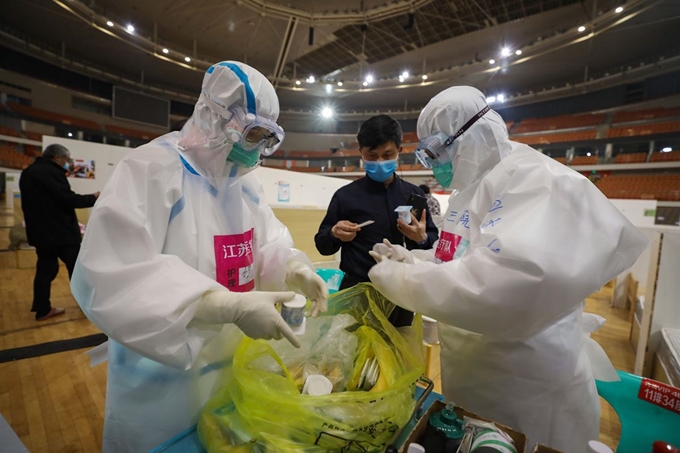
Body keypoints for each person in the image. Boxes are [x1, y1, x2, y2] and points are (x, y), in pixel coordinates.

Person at [368, 86, 647, 452]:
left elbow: (504, 286)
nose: (434, 164)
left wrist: (405, 280)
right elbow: (457, 259)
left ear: (472, 136)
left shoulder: (535, 181)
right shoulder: (470, 189)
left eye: (438, 151)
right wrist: (415, 260)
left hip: (526, 386)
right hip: (476, 375)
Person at [70, 61, 328, 452]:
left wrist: (293, 267)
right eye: (253, 134)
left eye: (266, 138)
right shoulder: (151, 170)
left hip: (230, 369)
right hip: (161, 381)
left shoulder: (244, 185)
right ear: (215, 116)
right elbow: (109, 277)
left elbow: (268, 241)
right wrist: (224, 305)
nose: (257, 149)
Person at [314, 114, 438, 327]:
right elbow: (322, 245)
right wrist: (334, 233)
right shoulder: (345, 196)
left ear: (399, 150)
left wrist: (422, 238)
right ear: (361, 153)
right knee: (355, 355)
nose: (379, 162)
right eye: (372, 156)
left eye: (387, 154)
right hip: (357, 295)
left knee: (399, 354)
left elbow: (432, 242)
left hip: (401, 294)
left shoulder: (414, 195)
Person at [19, 144, 99, 321]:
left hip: (40, 234)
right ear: (56, 157)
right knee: (78, 270)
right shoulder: (52, 173)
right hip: (60, 233)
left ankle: (42, 309)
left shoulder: (28, 172)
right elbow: (67, 199)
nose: (68, 163)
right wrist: (93, 198)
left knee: (45, 270)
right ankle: (87, 306)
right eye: (66, 159)